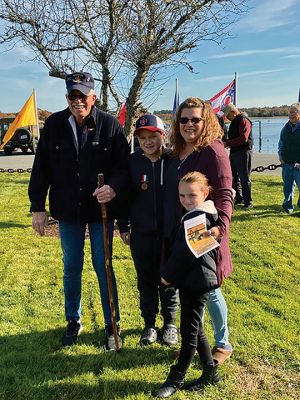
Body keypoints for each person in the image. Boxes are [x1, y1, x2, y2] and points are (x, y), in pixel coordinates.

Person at [28, 72, 130, 351]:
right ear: (67, 98)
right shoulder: (54, 124)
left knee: (103, 267)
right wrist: (37, 206)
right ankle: (73, 321)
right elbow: (42, 168)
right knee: (71, 268)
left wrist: (114, 188)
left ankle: (112, 325)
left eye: (82, 95)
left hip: (101, 212)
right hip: (68, 211)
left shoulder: (110, 125)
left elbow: (123, 167)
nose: (77, 101)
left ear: (93, 96)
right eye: (72, 96)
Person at [163, 97, 233, 366]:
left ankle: (223, 342)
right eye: (184, 119)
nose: (189, 124)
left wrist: (221, 228)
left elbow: (225, 194)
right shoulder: (177, 152)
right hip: (181, 232)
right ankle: (194, 341)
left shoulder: (213, 152)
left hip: (205, 231)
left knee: (209, 287)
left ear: (206, 121)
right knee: (190, 286)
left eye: (195, 119)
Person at [155, 172, 221, 398]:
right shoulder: (197, 213)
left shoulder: (198, 217)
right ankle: (210, 372)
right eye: (181, 195)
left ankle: (176, 378)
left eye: (192, 195)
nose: (186, 200)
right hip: (194, 279)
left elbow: (186, 252)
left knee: (189, 332)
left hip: (196, 281)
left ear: (205, 193)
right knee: (196, 327)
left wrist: (167, 276)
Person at [119, 114, 178, 346]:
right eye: (142, 138)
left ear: (162, 136)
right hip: (142, 234)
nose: (148, 142)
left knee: (169, 280)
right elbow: (124, 197)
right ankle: (149, 324)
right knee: (146, 281)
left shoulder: (174, 159)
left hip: (170, 234)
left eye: (152, 136)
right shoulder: (132, 162)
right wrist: (123, 225)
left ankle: (170, 324)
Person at [222, 103, 254, 209]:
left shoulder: (244, 120)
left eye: (228, 115)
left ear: (233, 112)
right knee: (234, 177)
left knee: (244, 177)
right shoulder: (235, 121)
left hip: (244, 152)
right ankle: (238, 198)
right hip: (235, 152)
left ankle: (248, 201)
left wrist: (227, 143)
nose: (226, 117)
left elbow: (243, 138)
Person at [278, 103, 300, 214]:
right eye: (289, 112)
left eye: (293, 112)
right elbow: (281, 143)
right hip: (287, 163)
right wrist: (280, 157)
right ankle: (287, 206)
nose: (291, 114)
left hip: (299, 165)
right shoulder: (285, 128)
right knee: (287, 187)